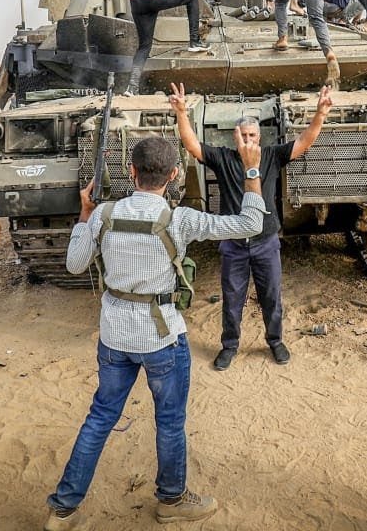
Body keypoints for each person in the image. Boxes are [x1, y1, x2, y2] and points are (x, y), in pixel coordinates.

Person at [42, 136, 267, 529]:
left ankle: (63, 508)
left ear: (131, 172)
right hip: (162, 338)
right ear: (174, 175)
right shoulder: (180, 219)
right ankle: (171, 499)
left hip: (114, 336)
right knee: (169, 421)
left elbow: (76, 264)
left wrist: (84, 215)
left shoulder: (104, 215)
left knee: (99, 418)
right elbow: (251, 222)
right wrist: (251, 171)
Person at [171, 83, 331, 370]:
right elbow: (192, 144)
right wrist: (182, 113)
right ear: (236, 138)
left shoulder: (271, 156)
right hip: (233, 244)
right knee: (232, 300)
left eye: (253, 135)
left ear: (260, 137)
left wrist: (319, 114)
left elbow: (305, 141)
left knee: (271, 296)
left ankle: (275, 341)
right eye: (243, 135)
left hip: (266, 241)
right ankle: (229, 345)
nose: (248, 140)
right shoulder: (223, 158)